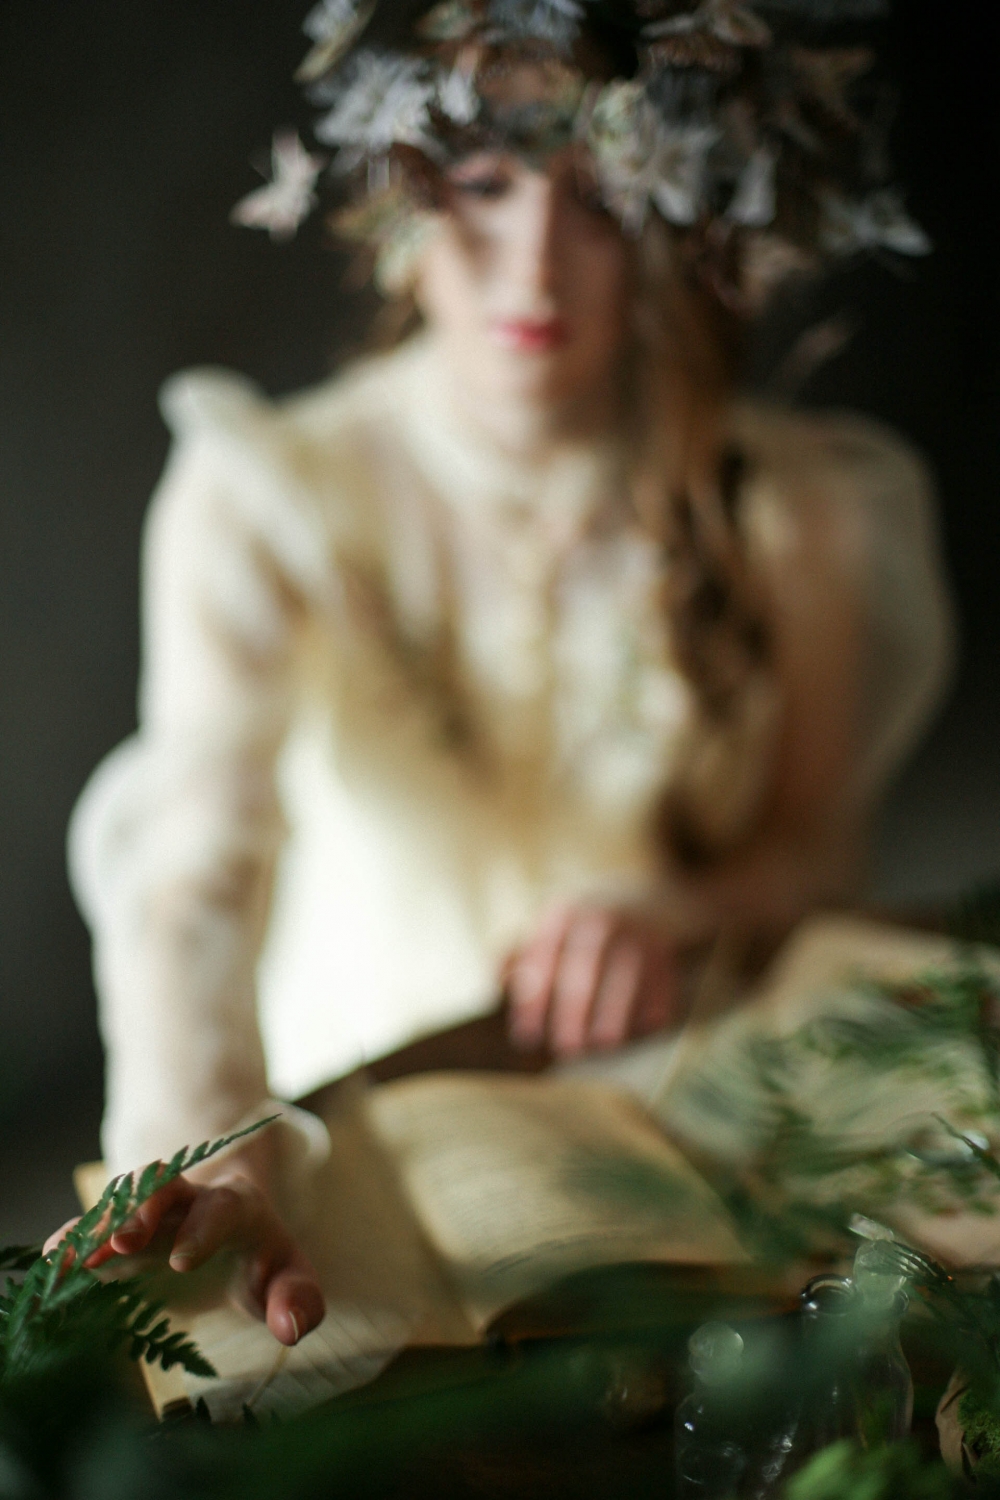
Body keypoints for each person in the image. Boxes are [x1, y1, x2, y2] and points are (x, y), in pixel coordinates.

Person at [57, 0, 953, 1348]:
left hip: (706, 1127)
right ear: (394, 194)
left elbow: (820, 855)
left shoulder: (799, 512)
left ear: (680, 215)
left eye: (600, 201)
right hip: (361, 1118)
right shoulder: (265, 497)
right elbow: (194, 866)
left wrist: (678, 907)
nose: (534, 271)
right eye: (481, 184)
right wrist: (201, 1144)